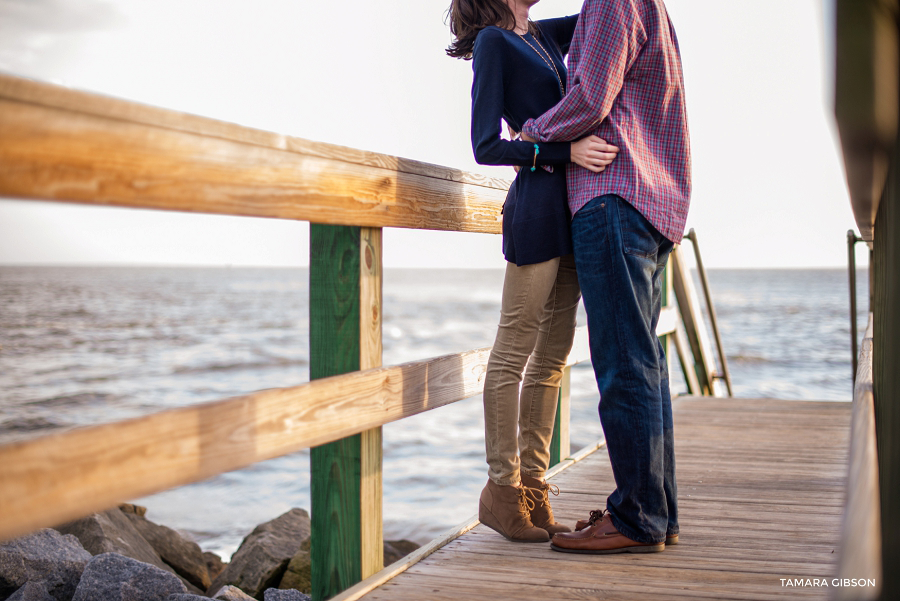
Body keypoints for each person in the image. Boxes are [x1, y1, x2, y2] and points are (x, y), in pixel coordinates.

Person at [520, 0, 691, 554]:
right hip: (651, 198)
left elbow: (590, 99)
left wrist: (531, 135)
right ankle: (656, 513)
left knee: (623, 364)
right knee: (645, 364)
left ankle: (637, 516)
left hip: (614, 196)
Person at [446, 0, 620, 543]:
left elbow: (607, 14)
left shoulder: (542, 34)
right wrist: (565, 152)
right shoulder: (496, 43)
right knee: (514, 351)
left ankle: (533, 485)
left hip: (571, 212)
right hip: (536, 210)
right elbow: (485, 145)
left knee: (552, 356)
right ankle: (501, 491)